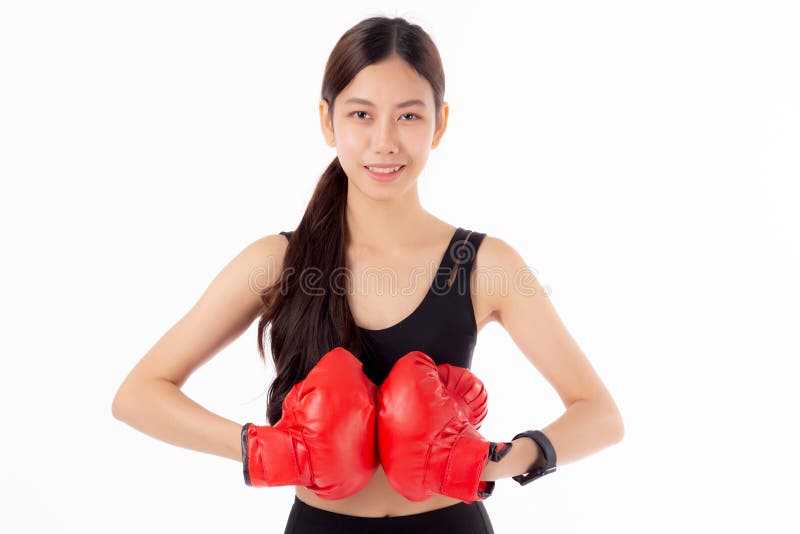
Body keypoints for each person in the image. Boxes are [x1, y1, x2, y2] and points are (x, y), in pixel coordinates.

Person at [111, 15, 624, 534]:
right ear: (327, 121)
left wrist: (494, 460)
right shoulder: (278, 263)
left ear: (439, 124)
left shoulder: (486, 265)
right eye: (361, 114)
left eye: (408, 117)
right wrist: (261, 449)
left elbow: (600, 414)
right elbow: (139, 395)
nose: (384, 142)